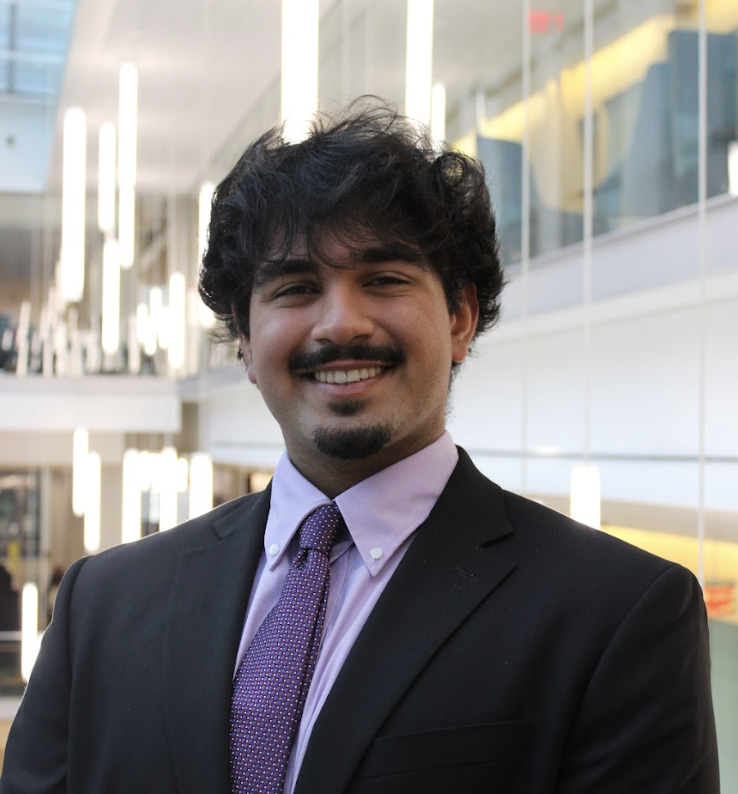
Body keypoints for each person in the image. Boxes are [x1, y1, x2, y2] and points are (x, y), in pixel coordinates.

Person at [0, 102, 719, 793]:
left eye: (383, 280)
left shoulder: (616, 615)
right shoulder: (104, 605)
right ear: (244, 341)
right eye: (295, 287)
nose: (341, 324)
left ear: (460, 318)